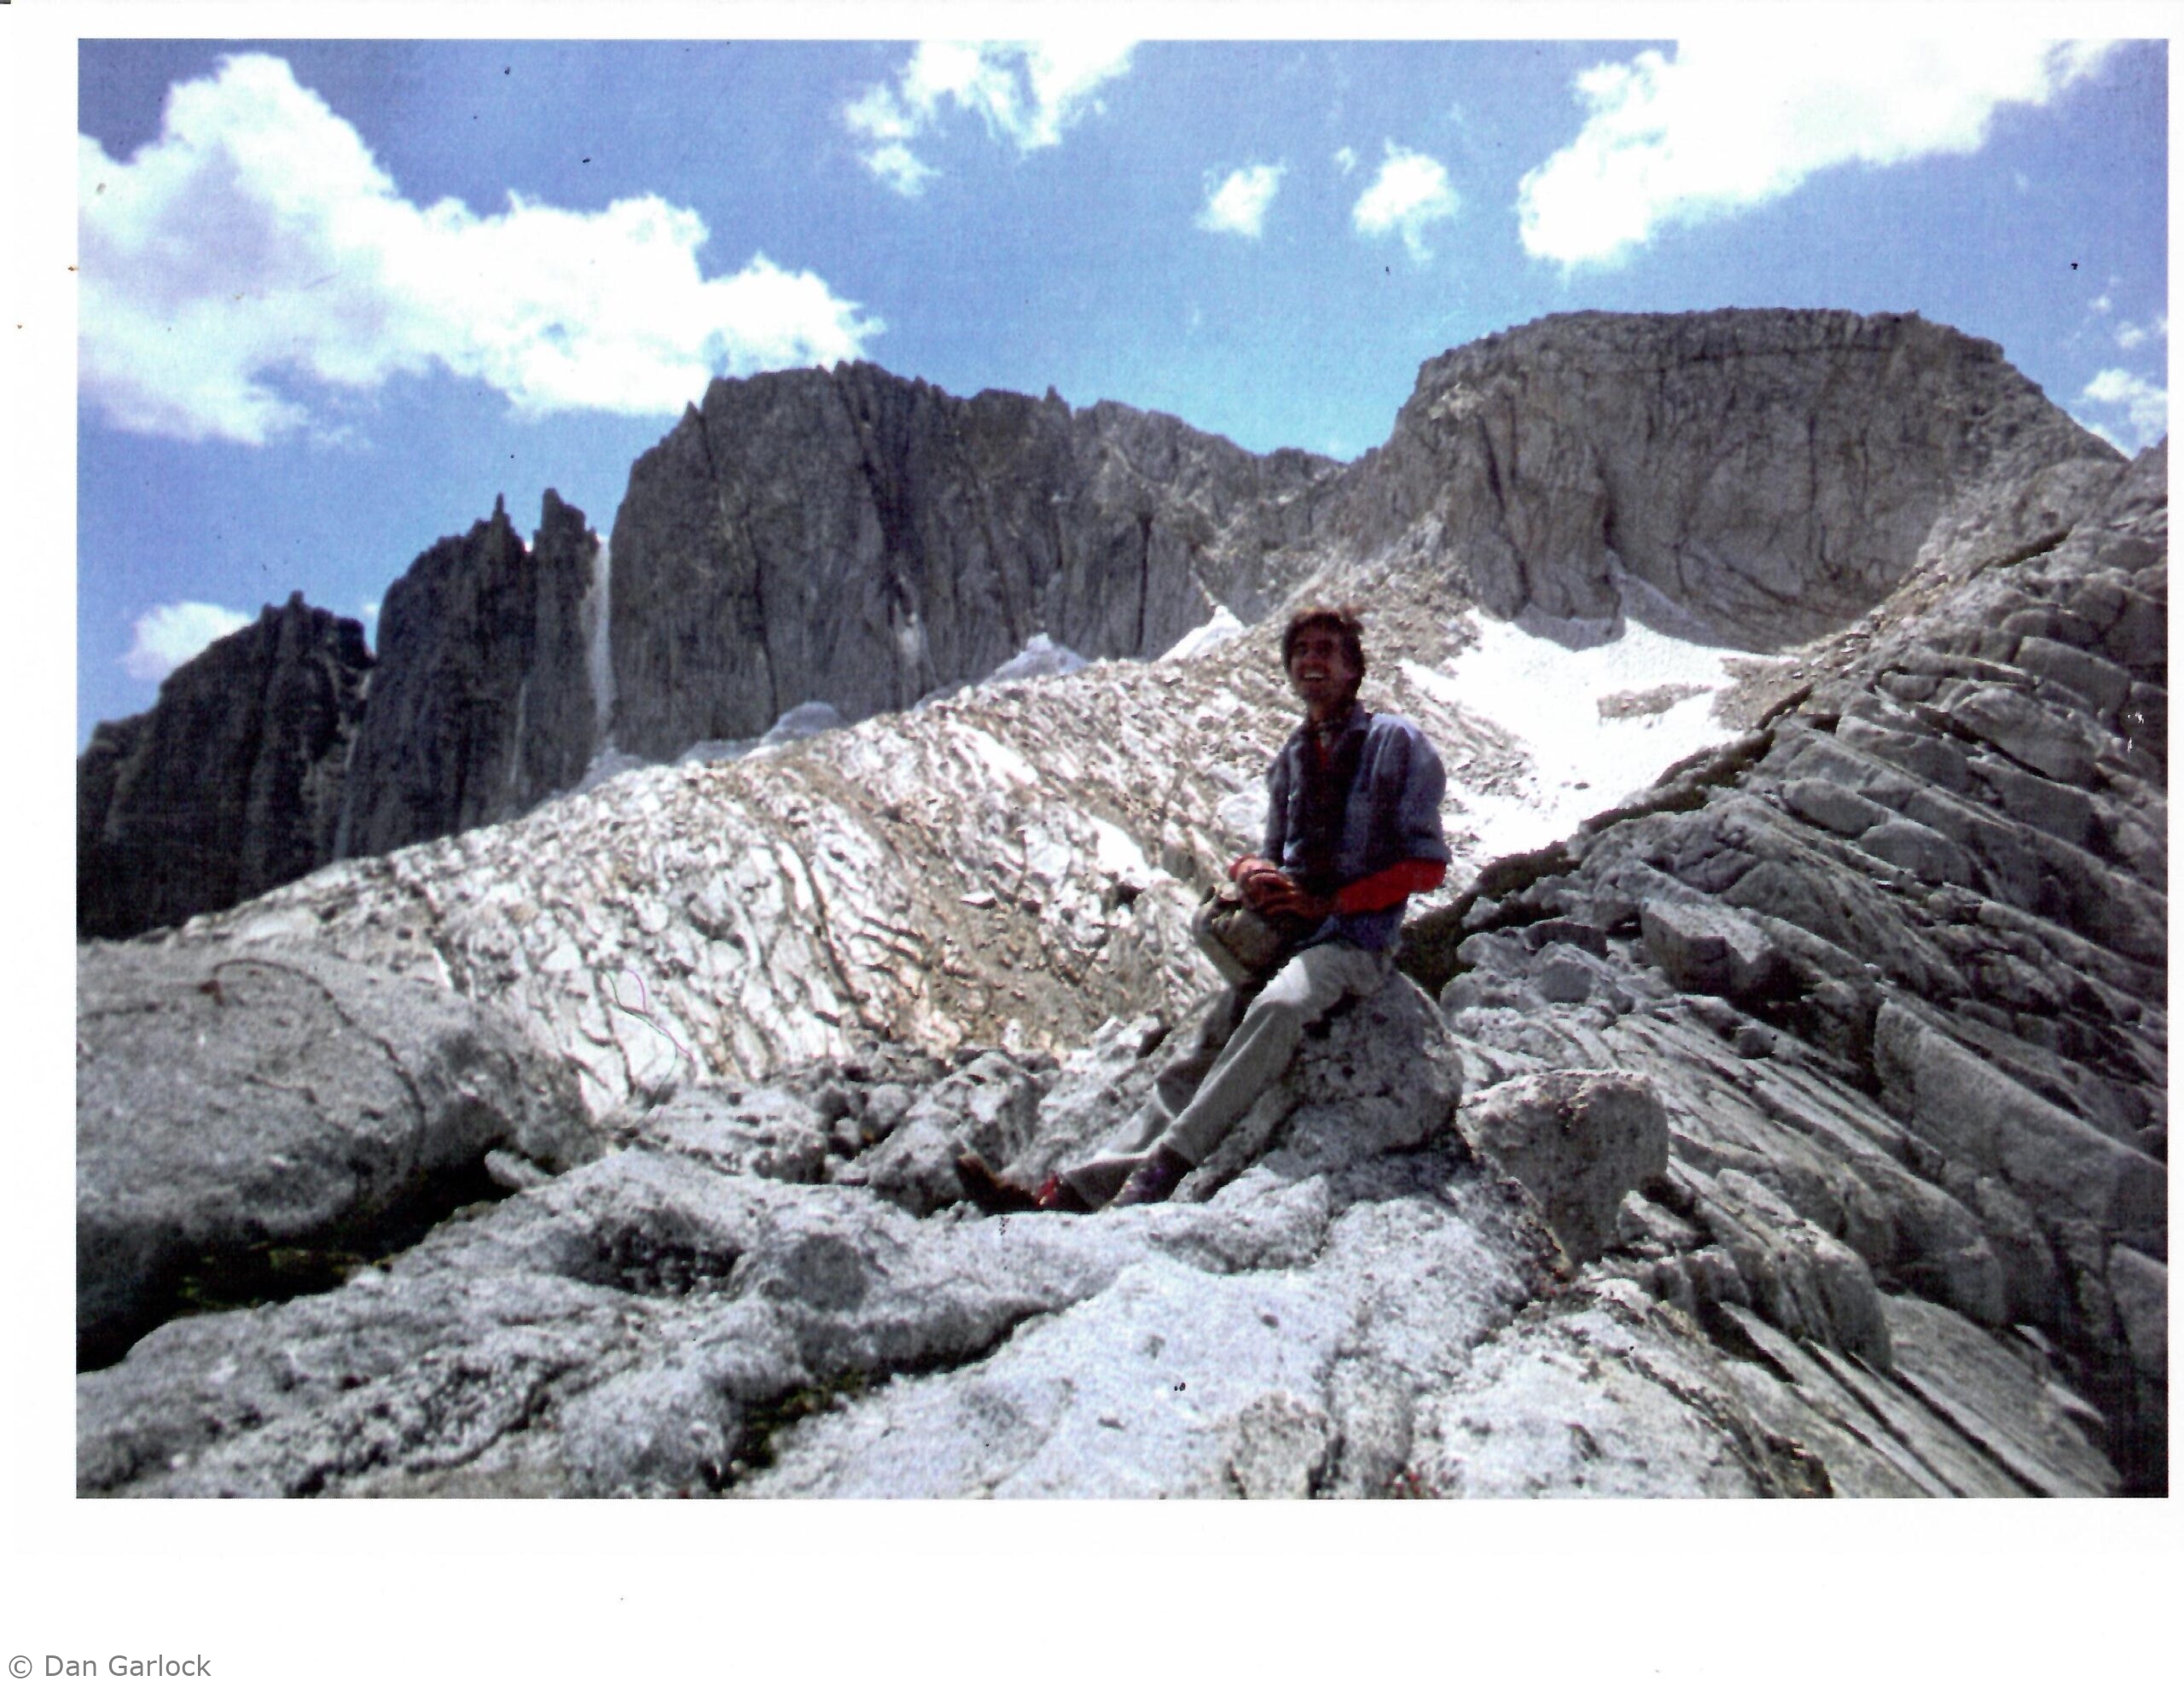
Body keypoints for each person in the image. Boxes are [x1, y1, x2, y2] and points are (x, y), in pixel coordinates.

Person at [957, 603, 1449, 1213]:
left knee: (1280, 1005)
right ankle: (1069, 1193)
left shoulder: (1395, 743)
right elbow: (1276, 852)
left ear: (1354, 669)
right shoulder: (1293, 758)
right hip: (1290, 940)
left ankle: (1168, 1165)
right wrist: (1252, 872)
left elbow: (1428, 865)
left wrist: (1331, 901)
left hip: (1355, 942)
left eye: (1327, 649)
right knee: (1206, 1043)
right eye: (1301, 651)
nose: (1311, 660)